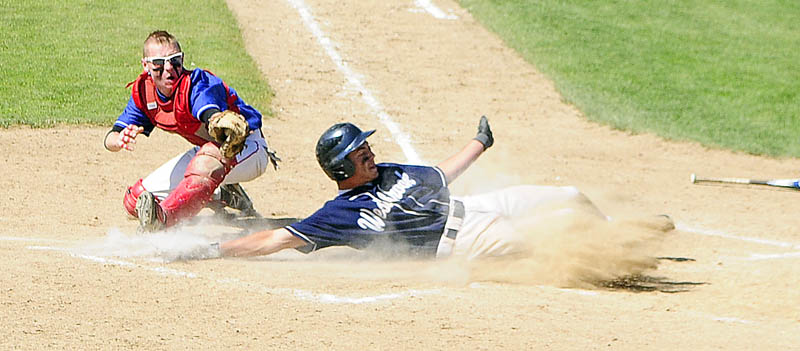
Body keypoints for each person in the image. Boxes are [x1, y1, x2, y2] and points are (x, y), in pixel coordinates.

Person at [214, 116, 661, 260]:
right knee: (554, 238)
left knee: (569, 197)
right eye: (359, 151)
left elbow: (439, 175)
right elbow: (278, 237)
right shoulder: (339, 213)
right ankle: (620, 255)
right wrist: (220, 250)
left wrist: (478, 144)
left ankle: (617, 228)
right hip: (462, 239)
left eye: (365, 145)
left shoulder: (387, 171)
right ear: (340, 166)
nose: (369, 151)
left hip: (472, 205)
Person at [104, 30, 279, 232]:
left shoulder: (196, 83)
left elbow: (207, 107)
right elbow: (111, 136)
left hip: (248, 149)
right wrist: (118, 140)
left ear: (183, 59)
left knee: (204, 162)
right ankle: (224, 195)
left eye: (175, 61)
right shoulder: (145, 93)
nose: (169, 69)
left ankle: (163, 220)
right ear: (146, 65)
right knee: (135, 201)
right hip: (210, 154)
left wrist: (215, 119)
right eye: (159, 63)